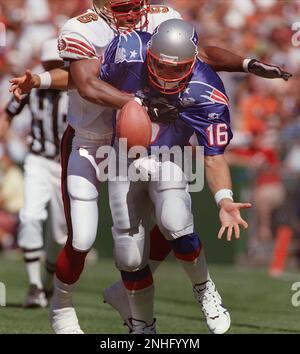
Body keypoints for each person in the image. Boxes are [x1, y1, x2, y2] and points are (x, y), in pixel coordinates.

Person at [9, 0, 291, 334]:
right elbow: (83, 80)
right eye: (119, 5)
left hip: (156, 142)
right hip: (97, 138)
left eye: (132, 4)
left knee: (174, 219)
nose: (127, 13)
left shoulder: (193, 71)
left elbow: (201, 60)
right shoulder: (104, 38)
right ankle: (69, 308)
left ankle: (200, 291)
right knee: (96, 242)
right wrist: (136, 103)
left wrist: (246, 63)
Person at [1, 38, 69, 307]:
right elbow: (8, 113)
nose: (53, 70)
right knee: (29, 216)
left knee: (60, 235)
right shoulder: (33, 88)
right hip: (38, 160)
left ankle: (48, 281)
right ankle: (34, 286)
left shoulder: (76, 90)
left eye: (58, 65)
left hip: (66, 165)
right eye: (49, 65)